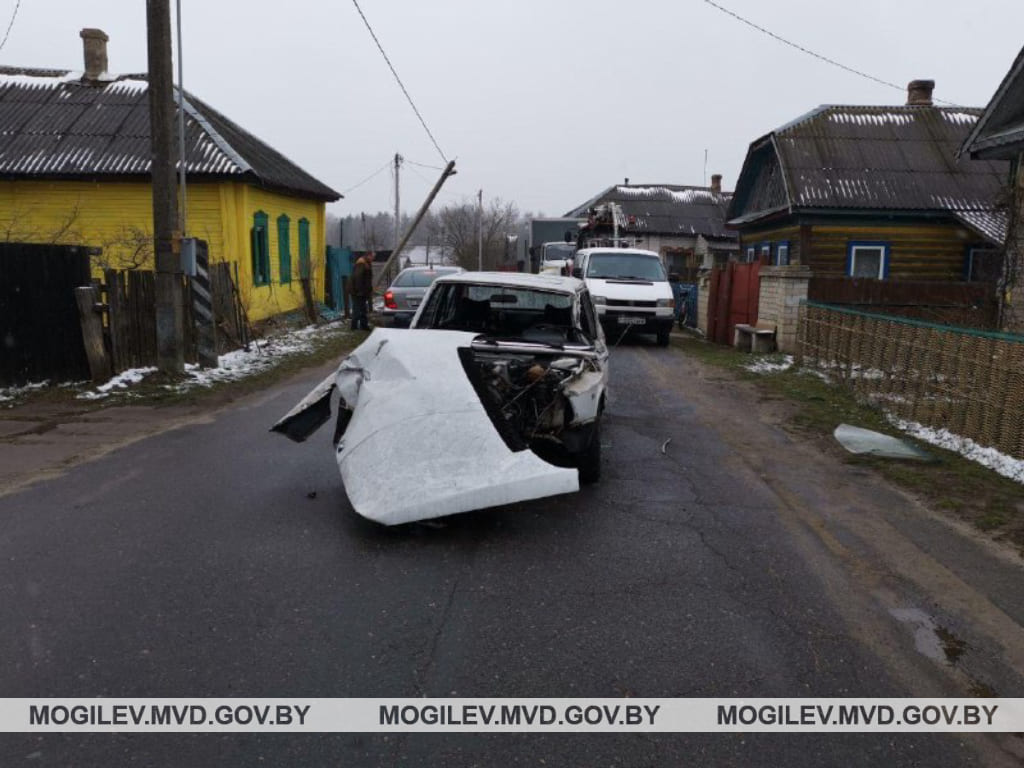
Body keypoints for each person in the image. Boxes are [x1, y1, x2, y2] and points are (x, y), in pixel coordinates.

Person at [350, 252, 374, 331]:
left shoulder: (366, 264)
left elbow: (367, 279)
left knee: (363, 309)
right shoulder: (361, 264)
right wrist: (360, 291)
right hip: (358, 292)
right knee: (357, 309)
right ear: (367, 256)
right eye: (371, 256)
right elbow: (358, 278)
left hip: (362, 291)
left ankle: (363, 325)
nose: (373, 258)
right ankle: (354, 326)